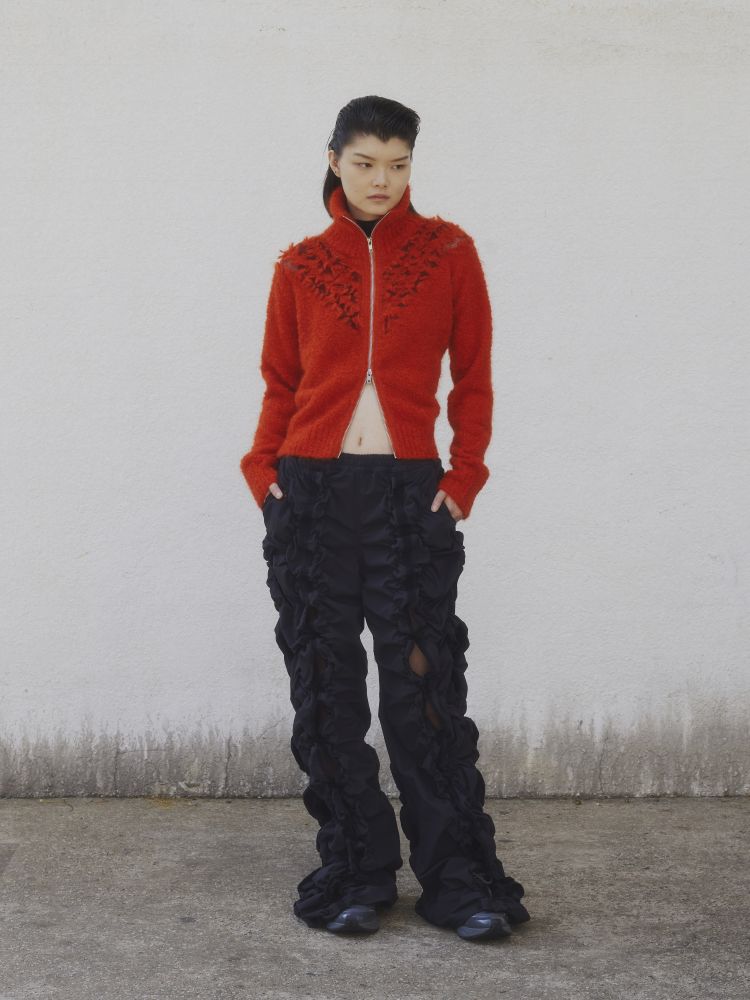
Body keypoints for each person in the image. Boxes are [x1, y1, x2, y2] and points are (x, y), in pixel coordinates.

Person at [240, 95, 531, 942]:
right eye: (366, 163)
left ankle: (458, 880)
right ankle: (358, 871)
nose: (382, 179)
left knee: (422, 688)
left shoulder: (448, 253)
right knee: (327, 688)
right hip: (312, 493)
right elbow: (281, 383)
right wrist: (264, 472)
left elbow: (474, 375)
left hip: (409, 494)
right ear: (334, 160)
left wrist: (465, 475)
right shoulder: (301, 266)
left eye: (398, 165)